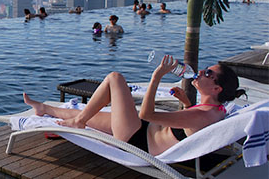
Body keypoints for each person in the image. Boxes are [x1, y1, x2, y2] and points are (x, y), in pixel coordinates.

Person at [23, 57, 245, 156]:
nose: (202, 71)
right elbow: (191, 123)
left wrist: (156, 77)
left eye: (208, 73)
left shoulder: (203, 115)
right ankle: (43, 108)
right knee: (89, 113)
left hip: (136, 140)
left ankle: (78, 123)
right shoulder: (216, 110)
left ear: (216, 89)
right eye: (205, 68)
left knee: (115, 78)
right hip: (140, 129)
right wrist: (186, 103)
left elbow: (147, 113)